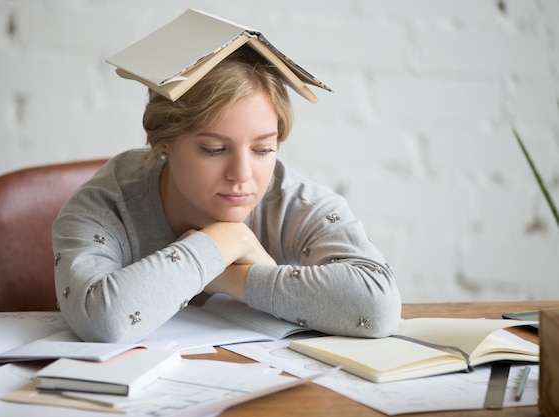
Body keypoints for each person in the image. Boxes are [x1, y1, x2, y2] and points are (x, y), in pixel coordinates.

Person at [52, 44, 401, 344]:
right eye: (215, 149)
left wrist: (223, 276)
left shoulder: (296, 201)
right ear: (164, 143)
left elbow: (377, 307)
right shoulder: (106, 203)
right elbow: (103, 320)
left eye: (263, 150)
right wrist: (222, 243)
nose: (243, 175)